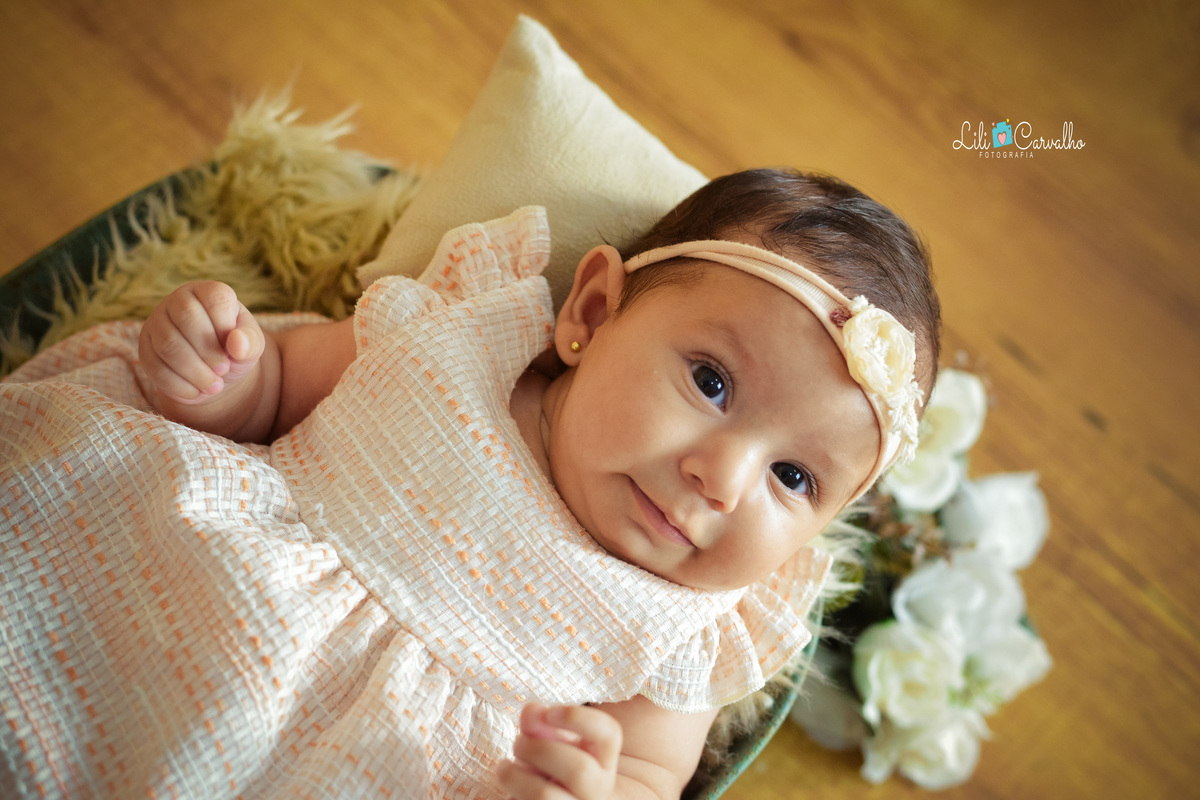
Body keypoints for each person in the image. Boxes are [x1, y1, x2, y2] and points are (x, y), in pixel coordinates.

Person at [1, 169, 939, 800]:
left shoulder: (689, 625)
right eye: (711, 382)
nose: (722, 479)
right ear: (592, 311)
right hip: (182, 578)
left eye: (793, 477)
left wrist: (585, 787)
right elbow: (280, 389)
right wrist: (221, 379)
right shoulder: (460, 341)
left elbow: (649, 779)